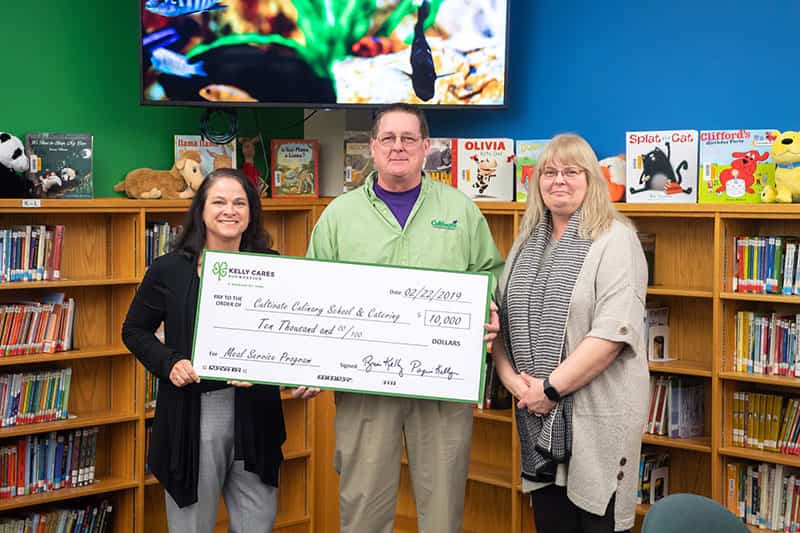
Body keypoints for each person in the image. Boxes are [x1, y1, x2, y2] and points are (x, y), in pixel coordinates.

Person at [306, 103, 505, 533]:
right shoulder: (338, 216)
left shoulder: (461, 209)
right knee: (363, 508)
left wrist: (489, 311)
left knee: (443, 509)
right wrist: (307, 360)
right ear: (373, 147)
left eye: (409, 138)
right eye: (389, 139)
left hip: (442, 387)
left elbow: (490, 273)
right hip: (364, 387)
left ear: (425, 147)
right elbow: (313, 291)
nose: (399, 147)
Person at [122, 169, 312, 532]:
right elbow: (134, 330)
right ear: (202, 210)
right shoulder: (169, 270)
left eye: (240, 202)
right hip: (192, 416)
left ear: (251, 212)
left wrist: (298, 373)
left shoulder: (274, 269)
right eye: (219, 202)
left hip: (256, 418)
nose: (230, 210)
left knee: (257, 523)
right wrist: (169, 362)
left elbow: (293, 338)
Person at [492, 134, 650, 533]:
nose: (558, 180)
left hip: (596, 417)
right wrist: (516, 385)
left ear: (592, 179)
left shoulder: (617, 240)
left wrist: (548, 390)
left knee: (596, 523)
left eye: (571, 171)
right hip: (534, 414)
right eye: (549, 172)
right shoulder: (526, 243)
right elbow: (501, 323)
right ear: (537, 181)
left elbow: (611, 336)